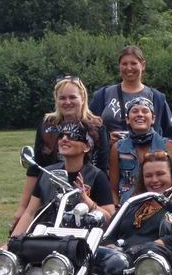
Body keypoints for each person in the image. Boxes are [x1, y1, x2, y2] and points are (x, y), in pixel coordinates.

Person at [14, 76, 109, 225]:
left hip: (88, 193)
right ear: (56, 100)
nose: (67, 102)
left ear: (83, 98)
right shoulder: (47, 125)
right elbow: (35, 169)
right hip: (50, 193)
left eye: (72, 97)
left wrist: (90, 201)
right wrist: (22, 208)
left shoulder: (97, 126)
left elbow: (102, 167)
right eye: (62, 98)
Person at [11, 122, 115, 237]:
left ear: (86, 147)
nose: (64, 139)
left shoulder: (96, 176)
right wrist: (11, 242)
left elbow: (110, 219)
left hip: (81, 240)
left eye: (73, 136)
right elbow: (30, 213)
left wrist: (87, 201)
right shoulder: (47, 173)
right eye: (61, 136)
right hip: (45, 236)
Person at [90, 45, 172, 143]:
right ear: (119, 66)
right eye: (124, 64)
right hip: (109, 152)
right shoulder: (102, 95)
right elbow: (88, 131)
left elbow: (171, 137)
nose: (129, 68)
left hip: (148, 152)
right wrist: (106, 138)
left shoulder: (157, 98)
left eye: (133, 63)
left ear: (143, 65)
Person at [110, 97, 172, 205]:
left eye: (145, 111)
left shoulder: (167, 145)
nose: (140, 114)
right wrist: (117, 209)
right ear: (127, 119)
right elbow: (113, 189)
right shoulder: (117, 148)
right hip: (128, 207)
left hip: (161, 206)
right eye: (135, 111)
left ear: (153, 119)